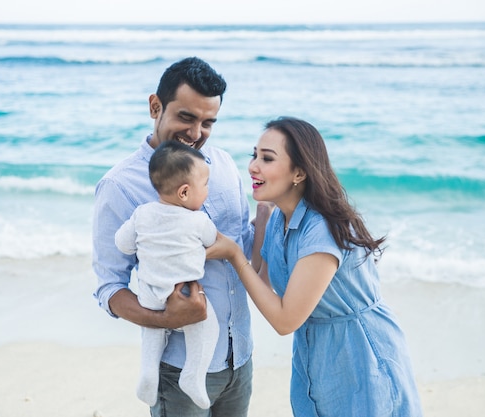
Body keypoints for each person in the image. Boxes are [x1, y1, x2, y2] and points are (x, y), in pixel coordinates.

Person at [208, 117, 423, 416]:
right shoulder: (279, 219)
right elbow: (258, 277)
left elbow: (284, 321)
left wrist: (233, 254)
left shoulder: (320, 229)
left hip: (360, 353)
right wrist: (258, 223)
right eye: (254, 155)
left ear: (299, 172)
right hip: (316, 351)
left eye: (267, 158)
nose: (253, 166)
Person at [92, 57, 265, 417]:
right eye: (186, 117)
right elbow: (109, 287)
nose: (196, 132)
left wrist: (277, 210)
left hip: (240, 355)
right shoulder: (120, 186)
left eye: (208, 122)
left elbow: (245, 249)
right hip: (176, 368)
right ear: (155, 106)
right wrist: (166, 320)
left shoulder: (225, 165)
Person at [114, 140, 218, 409]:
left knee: (152, 333)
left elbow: (122, 244)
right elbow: (212, 240)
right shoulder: (198, 220)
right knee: (207, 328)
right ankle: (193, 375)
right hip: (186, 294)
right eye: (205, 185)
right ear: (184, 192)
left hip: (150, 295)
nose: (207, 191)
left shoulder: (141, 214)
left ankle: (148, 373)